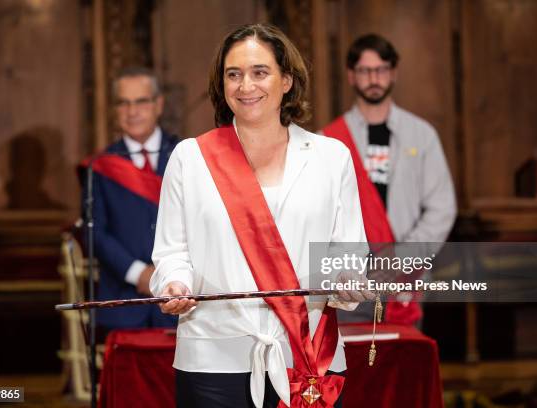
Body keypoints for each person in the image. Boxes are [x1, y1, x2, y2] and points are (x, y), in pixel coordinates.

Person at [150, 24, 373, 408]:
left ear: (286, 80)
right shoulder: (191, 157)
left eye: (259, 72)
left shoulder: (331, 157)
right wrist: (173, 284)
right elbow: (172, 252)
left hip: (307, 354)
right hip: (213, 356)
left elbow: (348, 250)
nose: (245, 86)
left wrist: (347, 281)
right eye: (233, 74)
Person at [322, 34, 457, 325]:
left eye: (381, 69)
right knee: (353, 366)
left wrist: (403, 256)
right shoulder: (328, 141)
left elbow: (442, 208)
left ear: (393, 73)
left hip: (406, 277)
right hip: (349, 279)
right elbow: (319, 215)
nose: (374, 78)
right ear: (351, 75)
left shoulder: (422, 136)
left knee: (402, 366)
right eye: (364, 70)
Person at [81, 66, 178, 332]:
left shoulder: (187, 156)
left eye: (141, 101)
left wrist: (170, 275)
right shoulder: (100, 165)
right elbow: (95, 234)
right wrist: (138, 274)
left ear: (158, 104)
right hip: (123, 306)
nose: (132, 112)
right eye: (123, 103)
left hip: (180, 302)